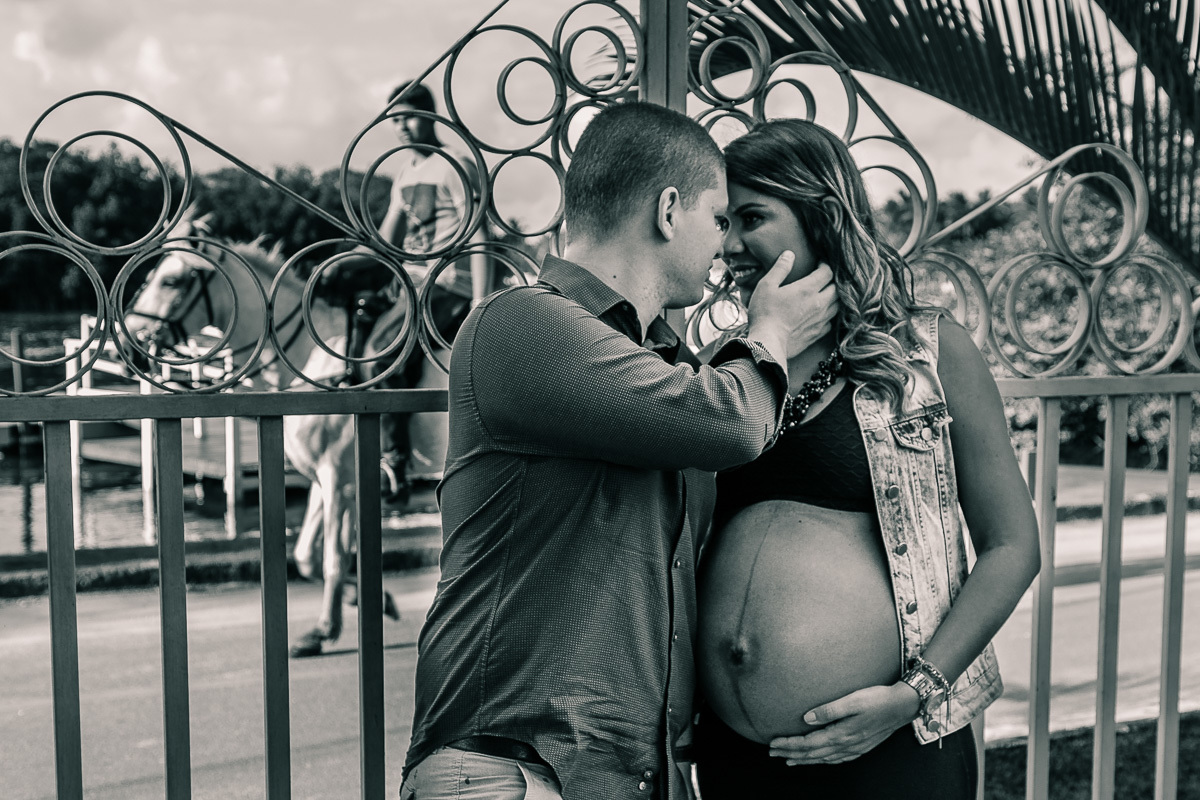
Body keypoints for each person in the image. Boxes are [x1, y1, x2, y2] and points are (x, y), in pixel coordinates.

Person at [399, 102, 837, 800]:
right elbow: (728, 426)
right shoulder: (517, 322)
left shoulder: (665, 358)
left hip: (623, 776)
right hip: (510, 771)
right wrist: (772, 334)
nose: (726, 247)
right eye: (720, 218)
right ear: (669, 210)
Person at [692, 119, 1041, 799]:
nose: (730, 245)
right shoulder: (726, 368)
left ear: (821, 216)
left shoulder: (930, 353)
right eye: (723, 222)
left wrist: (914, 695)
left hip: (887, 746)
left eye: (753, 218)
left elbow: (1012, 546)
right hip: (736, 757)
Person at [330, 80, 489, 502]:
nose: (401, 126)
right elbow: (386, 243)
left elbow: (479, 231)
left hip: (449, 283)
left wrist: (479, 299)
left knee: (386, 349)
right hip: (412, 285)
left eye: (408, 117)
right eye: (394, 120)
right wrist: (338, 262)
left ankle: (395, 460)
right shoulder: (406, 174)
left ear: (430, 115)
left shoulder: (453, 164)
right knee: (360, 324)